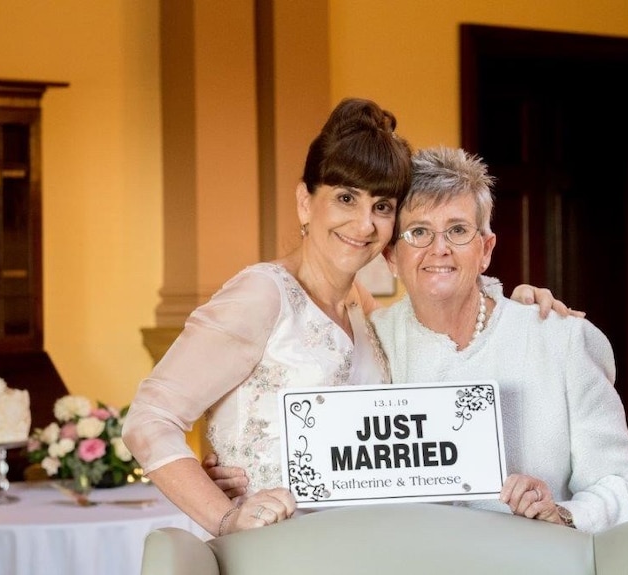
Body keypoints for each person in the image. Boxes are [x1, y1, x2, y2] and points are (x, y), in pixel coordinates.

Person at [123, 99, 570, 537]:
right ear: (305, 202)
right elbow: (149, 418)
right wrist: (224, 517)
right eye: (345, 198)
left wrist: (512, 309)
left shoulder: (363, 306)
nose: (363, 224)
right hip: (274, 551)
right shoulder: (260, 294)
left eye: (381, 206)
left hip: (361, 550)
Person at [371, 146, 628, 533]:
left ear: (485, 250)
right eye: (419, 231)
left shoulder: (560, 340)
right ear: (391, 256)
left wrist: (562, 512)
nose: (440, 248)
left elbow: (625, 488)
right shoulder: (367, 342)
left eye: (457, 230)